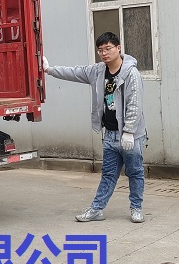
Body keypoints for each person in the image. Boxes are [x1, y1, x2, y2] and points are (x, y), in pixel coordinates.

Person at [43, 32, 147, 223]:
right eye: (100, 50)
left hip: (130, 136)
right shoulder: (98, 71)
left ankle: (136, 208)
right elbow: (75, 72)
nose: (104, 53)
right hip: (110, 134)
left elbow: (134, 104)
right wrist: (49, 70)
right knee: (108, 174)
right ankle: (97, 209)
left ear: (118, 48)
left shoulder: (130, 73)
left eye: (108, 48)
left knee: (135, 172)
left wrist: (129, 131)